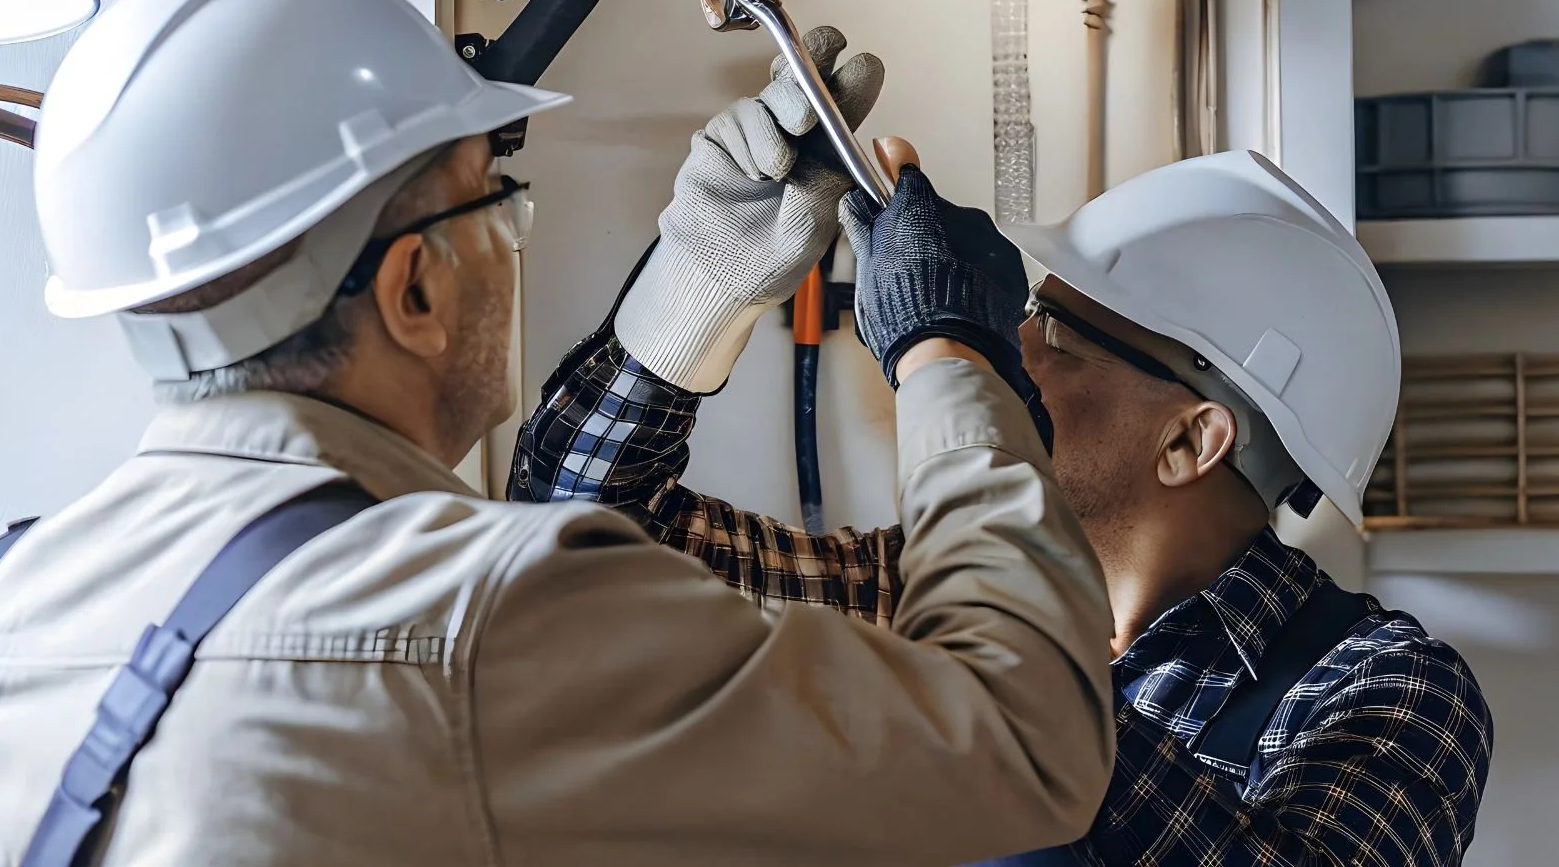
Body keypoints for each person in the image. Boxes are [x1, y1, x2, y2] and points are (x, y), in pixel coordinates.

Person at [0, 0, 1119, 866]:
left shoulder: (5, 600)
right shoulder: (482, 615)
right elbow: (1023, 745)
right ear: (413, 288)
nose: (509, 235)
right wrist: (944, 346)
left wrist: (702, 283)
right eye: (496, 197)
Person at [512, 144, 1497, 865]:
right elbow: (564, 556)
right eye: (1020, 318)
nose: (1013, 351)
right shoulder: (913, 590)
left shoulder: (1387, 691)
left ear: (1191, 441)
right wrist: (700, 289)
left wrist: (949, 361)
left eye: (1056, 336)